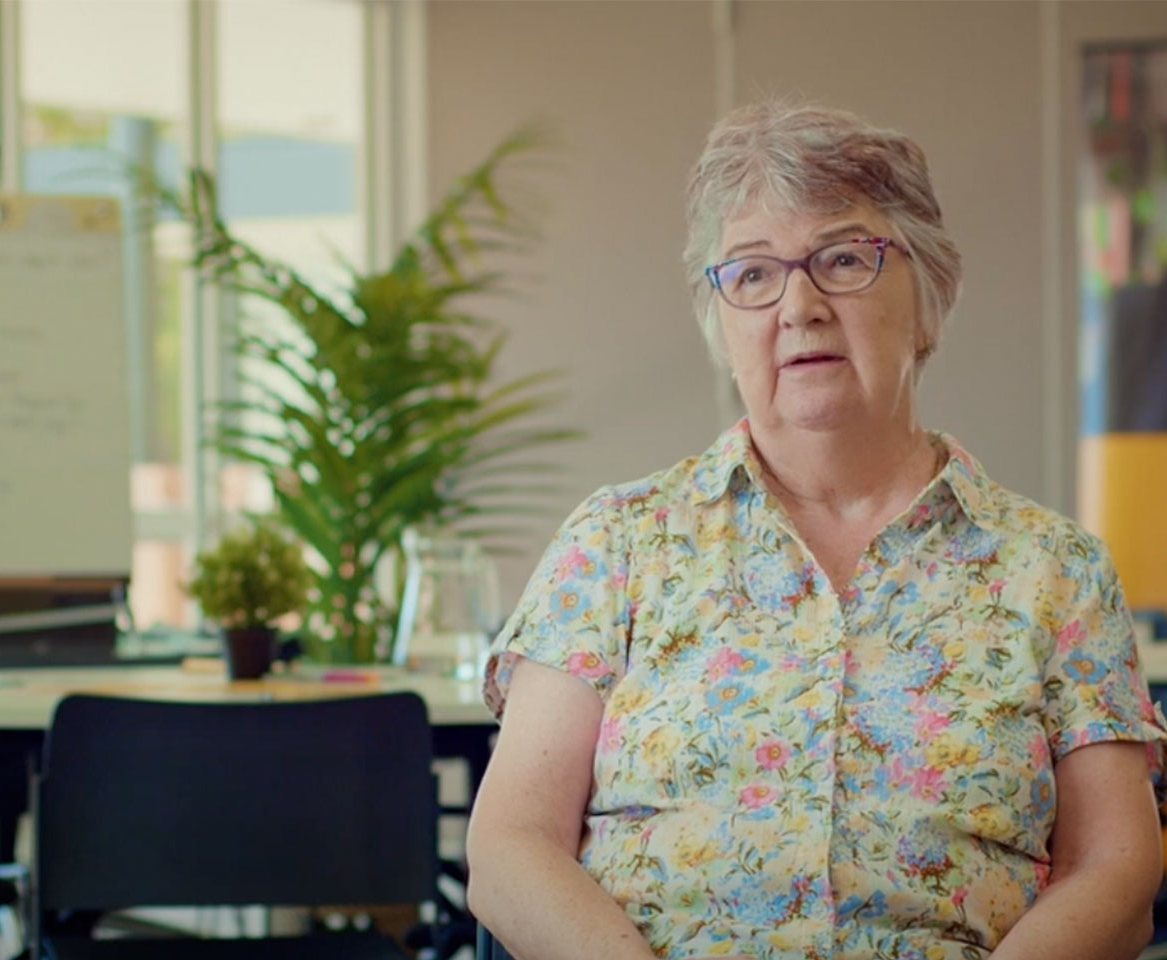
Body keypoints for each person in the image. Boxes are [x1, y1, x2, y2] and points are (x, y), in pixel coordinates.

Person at [464, 101, 1167, 960]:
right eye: (753, 275)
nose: (798, 304)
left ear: (929, 301)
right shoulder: (616, 543)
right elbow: (508, 848)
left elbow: (1117, 873)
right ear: (722, 324)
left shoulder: (1055, 570)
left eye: (843, 259)